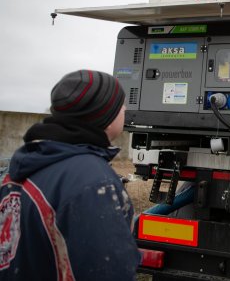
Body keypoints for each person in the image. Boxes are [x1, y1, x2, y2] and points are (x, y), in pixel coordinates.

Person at [0, 70, 140, 280]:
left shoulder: (22, 165)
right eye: (121, 105)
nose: (125, 109)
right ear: (105, 116)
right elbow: (107, 271)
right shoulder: (93, 183)